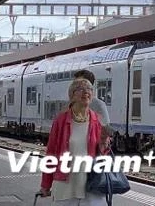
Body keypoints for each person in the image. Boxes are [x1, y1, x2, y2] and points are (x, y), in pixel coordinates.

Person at [39, 77, 109, 205]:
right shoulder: (61, 121)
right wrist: (46, 184)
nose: (86, 92)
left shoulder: (97, 120)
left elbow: (102, 155)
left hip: (91, 184)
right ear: (72, 94)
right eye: (80, 89)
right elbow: (51, 154)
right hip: (65, 185)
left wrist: (104, 142)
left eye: (89, 89)